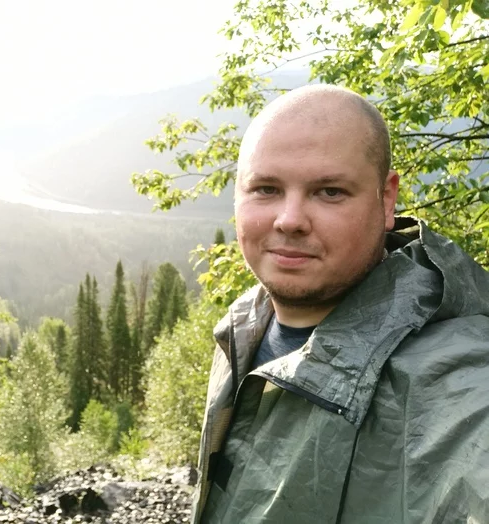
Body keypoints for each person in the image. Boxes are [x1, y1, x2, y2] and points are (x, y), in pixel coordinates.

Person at [192, 85, 489, 523]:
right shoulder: (245, 324)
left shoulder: (456, 382)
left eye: (329, 191)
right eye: (266, 188)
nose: (289, 220)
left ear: (386, 198)